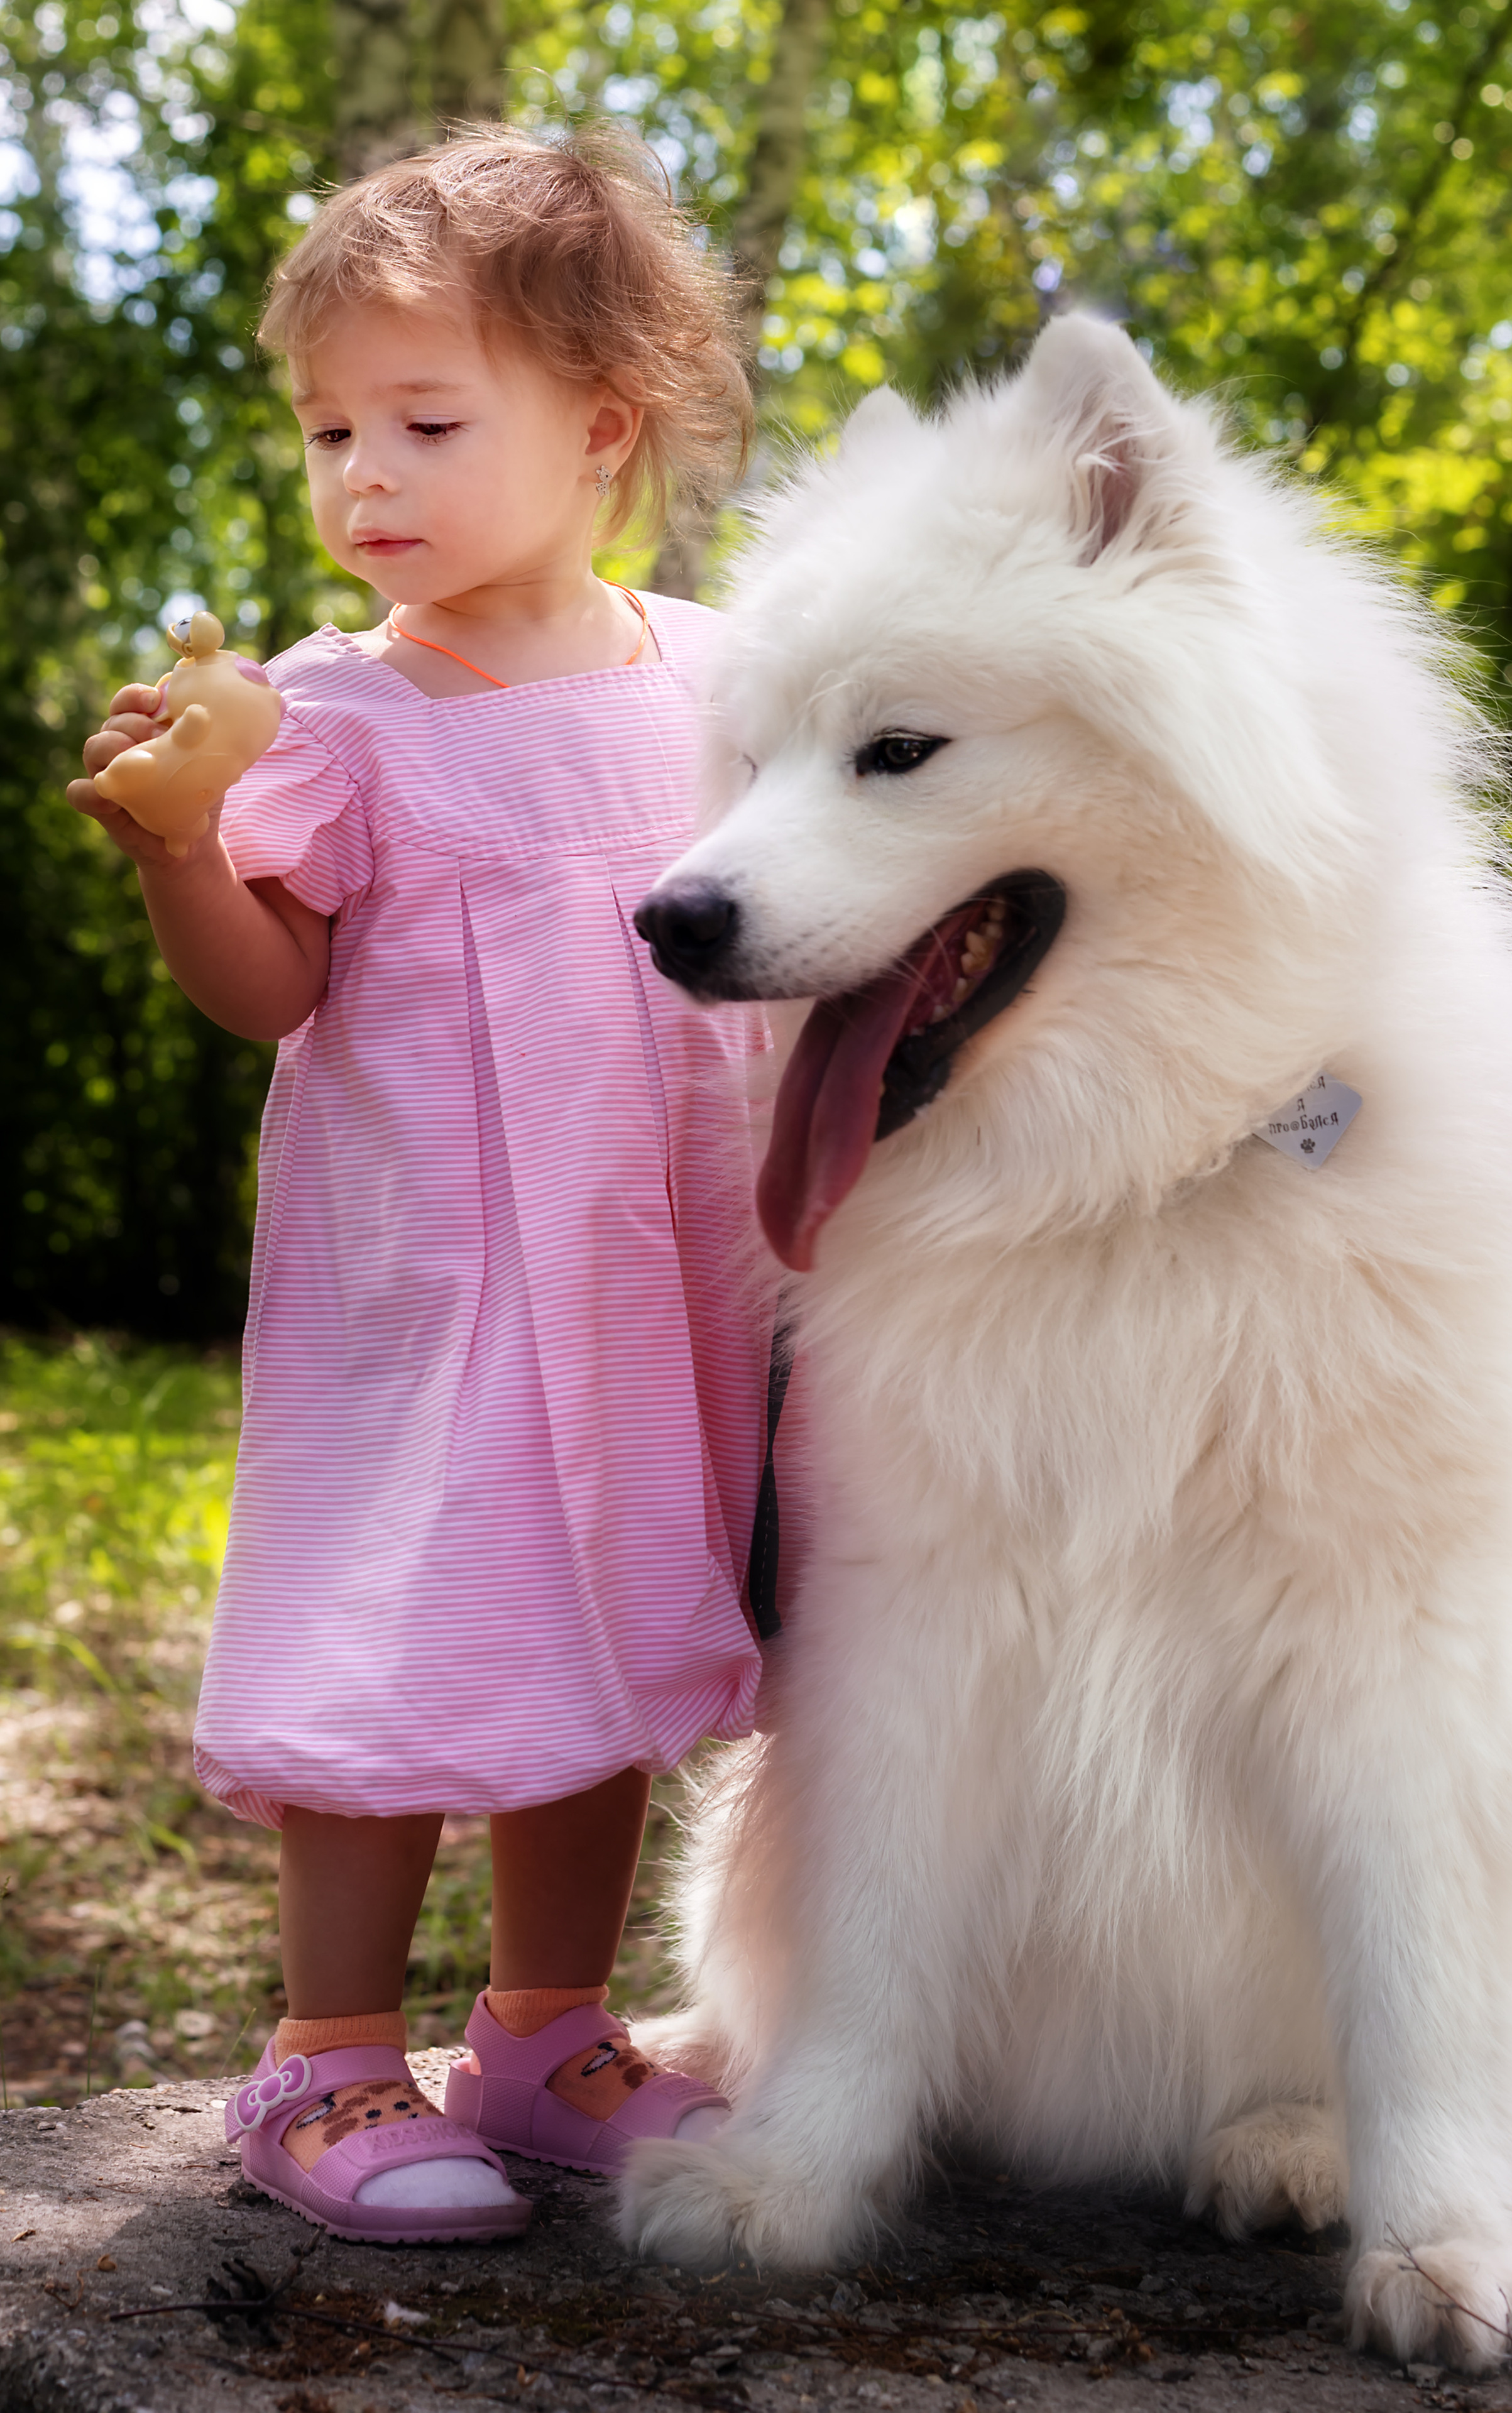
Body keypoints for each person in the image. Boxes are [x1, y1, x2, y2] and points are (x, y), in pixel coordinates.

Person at [69, 127, 770, 2245]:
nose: (363, 473)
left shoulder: (731, 680)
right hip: (437, 1288)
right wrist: (187, 846)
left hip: (655, 1271)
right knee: (398, 1640)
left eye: (426, 421)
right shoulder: (332, 713)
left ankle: (550, 2034)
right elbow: (272, 990)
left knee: (624, 1619)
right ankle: (323, 2060)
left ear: (602, 429)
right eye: (328, 429)